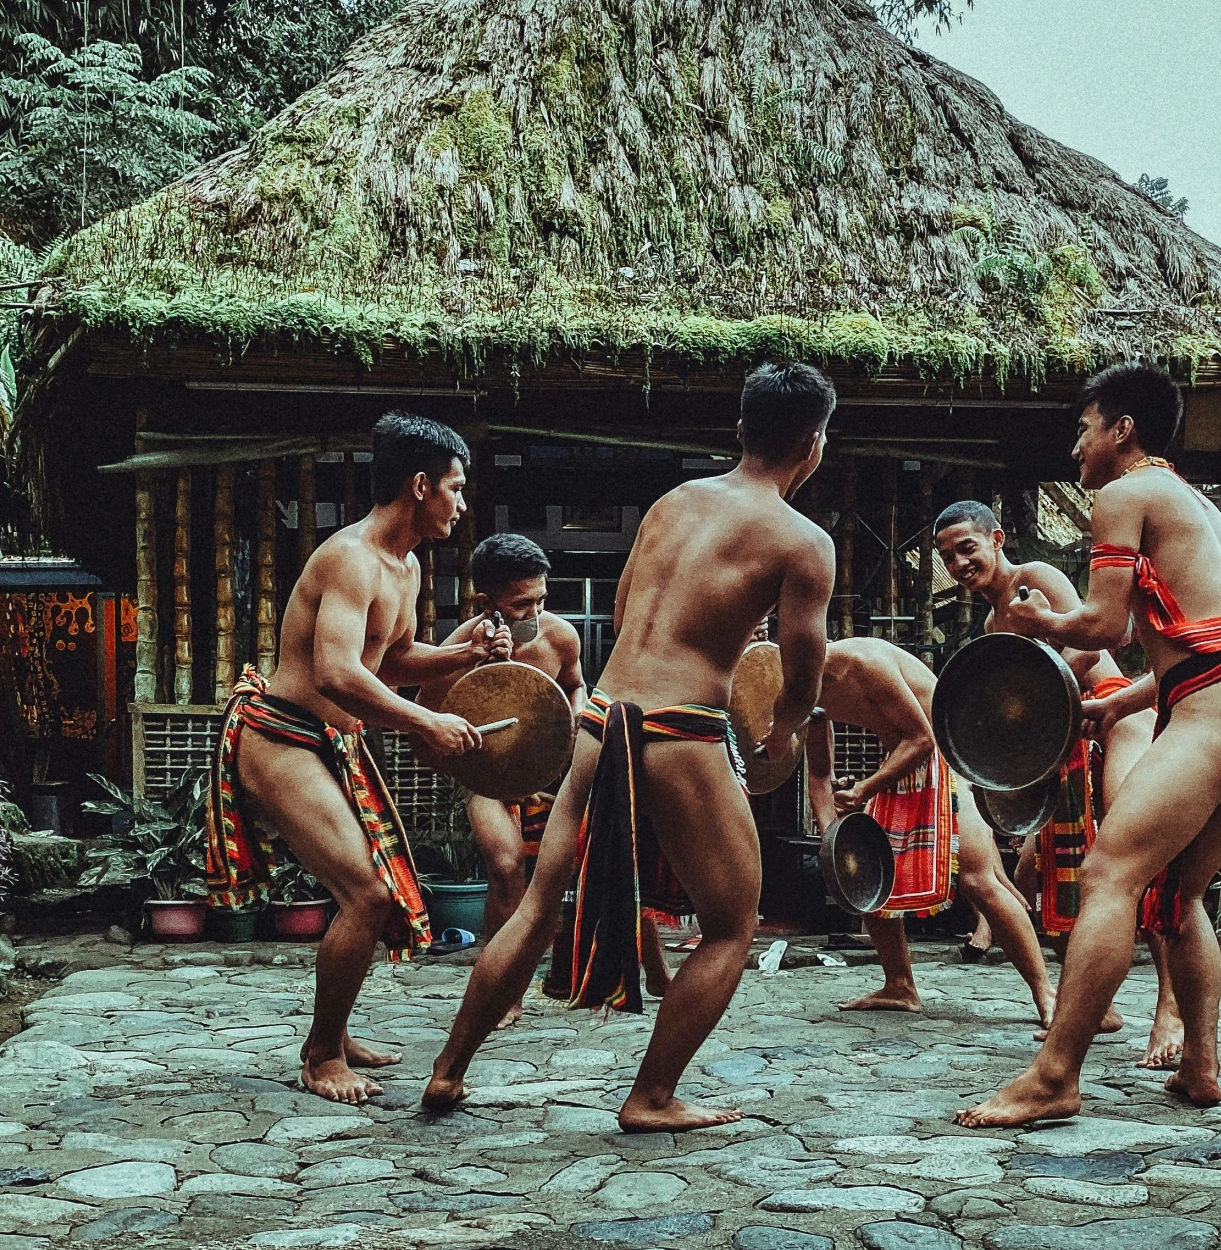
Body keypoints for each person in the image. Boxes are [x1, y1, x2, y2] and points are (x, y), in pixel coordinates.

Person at [424, 361, 836, 1131]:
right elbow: (804, 669)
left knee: (537, 905)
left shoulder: (672, 503)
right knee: (731, 924)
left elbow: (621, 612)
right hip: (679, 732)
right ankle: (651, 1096)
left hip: (602, 716)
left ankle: (448, 1073)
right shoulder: (803, 540)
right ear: (813, 446)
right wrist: (785, 734)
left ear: (741, 431)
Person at [956, 362, 1221, 1126]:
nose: (1075, 450)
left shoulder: (1123, 494)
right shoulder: (1197, 507)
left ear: (1121, 430)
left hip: (1218, 710)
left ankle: (1055, 1075)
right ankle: (1200, 1066)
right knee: (1177, 894)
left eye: (1083, 430)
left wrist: (1038, 625)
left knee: (1109, 875)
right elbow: (1209, 640)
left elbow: (1106, 627)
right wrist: (1119, 701)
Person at [206, 413, 511, 1103]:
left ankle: (337, 1034)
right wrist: (427, 721)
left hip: (330, 744)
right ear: (421, 484)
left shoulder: (403, 566)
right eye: (456, 489)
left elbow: (393, 658)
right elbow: (337, 674)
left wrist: (463, 654)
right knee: (367, 894)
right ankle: (320, 1057)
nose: (461, 505)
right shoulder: (350, 557)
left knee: (372, 893)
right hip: (281, 734)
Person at [427, 531, 660, 1027]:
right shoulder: (454, 648)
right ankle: (503, 992)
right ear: (485, 602)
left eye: (541, 600)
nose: (534, 612)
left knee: (612, 852)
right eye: (521, 604)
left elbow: (576, 685)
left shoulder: (560, 636)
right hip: (491, 777)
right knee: (507, 866)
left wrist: (577, 713)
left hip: (557, 772)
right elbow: (424, 722)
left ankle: (650, 973)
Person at [932, 501, 1131, 1043]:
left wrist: (1033, 711)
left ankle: (1162, 1010)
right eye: (947, 557)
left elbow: (1094, 649)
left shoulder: (1032, 580)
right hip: (1063, 743)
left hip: (1109, 718)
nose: (958, 564)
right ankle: (1094, 1004)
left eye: (967, 548)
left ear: (997, 539)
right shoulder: (993, 623)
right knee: (1047, 878)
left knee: (1115, 874)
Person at [802, 636, 1059, 1025]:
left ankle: (1045, 992)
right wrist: (833, 841)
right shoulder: (800, 693)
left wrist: (864, 790)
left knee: (978, 880)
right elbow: (820, 773)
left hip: (942, 753)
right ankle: (900, 985)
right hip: (898, 764)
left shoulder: (866, 662)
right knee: (870, 880)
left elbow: (922, 738)